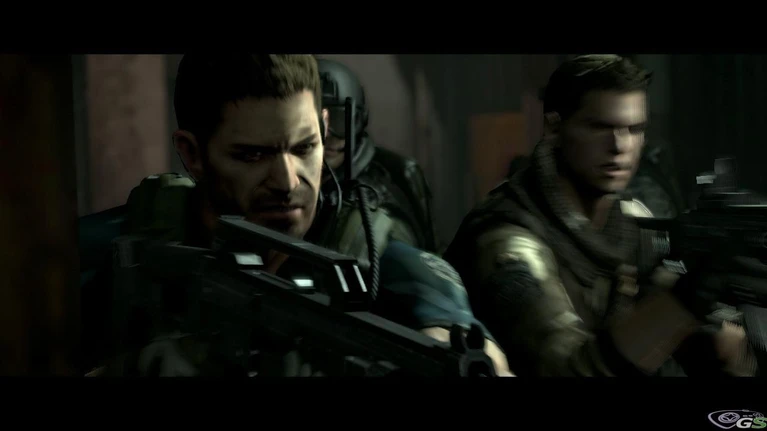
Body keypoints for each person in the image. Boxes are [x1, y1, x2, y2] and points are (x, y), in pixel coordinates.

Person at [82, 54, 511, 376]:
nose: (288, 182)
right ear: (192, 153)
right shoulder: (113, 249)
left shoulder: (380, 261)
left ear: (325, 128)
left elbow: (454, 332)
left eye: (305, 147)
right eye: (253, 155)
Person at [443, 54, 756, 377]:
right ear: (554, 128)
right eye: (599, 127)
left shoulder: (628, 220)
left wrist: (708, 338)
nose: (620, 146)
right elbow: (566, 369)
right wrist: (685, 300)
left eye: (634, 129)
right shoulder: (508, 241)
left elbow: (657, 312)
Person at [308, 59, 439, 256]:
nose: (326, 137)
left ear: (358, 121)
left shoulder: (385, 189)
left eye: (339, 121)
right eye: (314, 124)